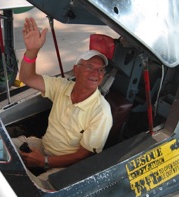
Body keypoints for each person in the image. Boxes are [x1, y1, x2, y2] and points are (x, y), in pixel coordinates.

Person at [13, 17, 113, 181]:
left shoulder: (102, 112)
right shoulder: (62, 86)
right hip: (42, 147)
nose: (96, 74)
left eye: (101, 70)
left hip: (66, 166)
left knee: (30, 192)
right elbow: (27, 77)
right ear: (76, 69)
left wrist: (44, 162)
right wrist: (32, 51)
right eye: (89, 67)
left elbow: (81, 156)